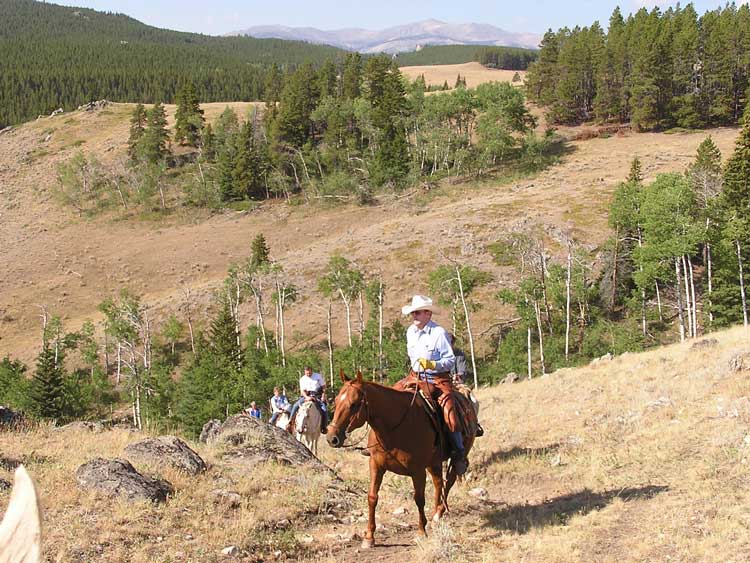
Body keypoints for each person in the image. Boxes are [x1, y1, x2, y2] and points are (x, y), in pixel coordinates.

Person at [399, 294, 468, 475]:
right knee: (392, 395)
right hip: (414, 376)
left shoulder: (439, 333)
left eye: (418, 313)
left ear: (428, 314)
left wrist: (432, 365)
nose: (414, 316)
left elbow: (450, 360)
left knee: (449, 410)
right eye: (413, 313)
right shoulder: (410, 332)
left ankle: (459, 452)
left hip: (437, 379)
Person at [287, 366, 328, 434]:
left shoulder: (318, 376)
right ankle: (290, 423)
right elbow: (302, 391)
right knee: (295, 406)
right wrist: (306, 397)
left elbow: (323, 387)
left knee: (324, 409)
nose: (308, 374)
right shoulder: (302, 379)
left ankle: (323, 426)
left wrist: (323, 395)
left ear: (312, 371)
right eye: (307, 373)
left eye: (309, 373)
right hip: (306, 395)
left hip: (317, 396)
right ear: (305, 372)